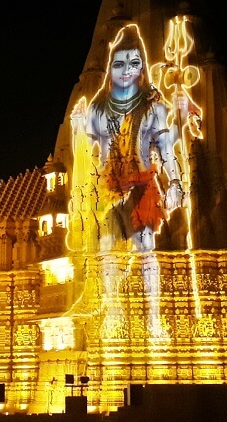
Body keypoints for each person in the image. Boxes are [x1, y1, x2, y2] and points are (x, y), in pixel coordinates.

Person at [74, 24, 184, 253]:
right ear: (111, 69)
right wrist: (77, 129)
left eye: (133, 64)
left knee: (145, 245)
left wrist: (175, 182)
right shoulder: (98, 109)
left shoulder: (153, 106)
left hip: (142, 185)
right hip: (107, 187)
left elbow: (166, 147)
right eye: (119, 64)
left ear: (142, 69)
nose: (126, 71)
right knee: (104, 246)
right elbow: (84, 156)